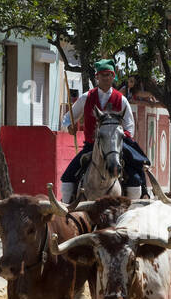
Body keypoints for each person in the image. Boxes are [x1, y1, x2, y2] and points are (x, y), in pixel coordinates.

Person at [60, 59, 149, 202]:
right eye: (103, 75)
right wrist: (69, 126)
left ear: (113, 77)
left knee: (135, 178)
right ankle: (67, 208)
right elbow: (67, 118)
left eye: (109, 75)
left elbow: (129, 126)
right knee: (67, 178)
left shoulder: (122, 100)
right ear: (97, 77)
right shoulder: (86, 97)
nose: (106, 78)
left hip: (117, 146)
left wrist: (120, 138)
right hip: (92, 146)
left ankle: (134, 205)